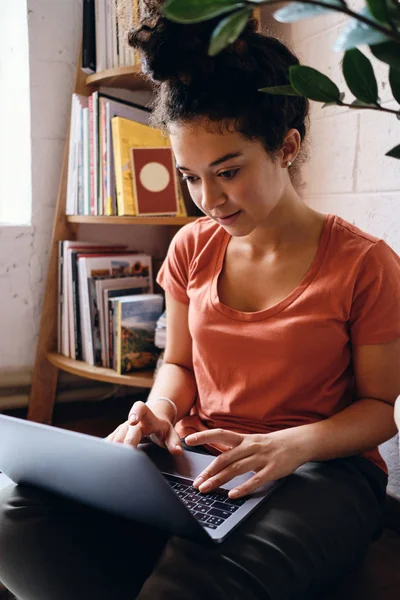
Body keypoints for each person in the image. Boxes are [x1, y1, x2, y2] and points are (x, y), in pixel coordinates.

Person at [0, 6, 399, 600]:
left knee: (201, 582)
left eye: (228, 171)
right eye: (189, 177)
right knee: (17, 516)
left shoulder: (364, 263)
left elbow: (377, 409)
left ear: (287, 146)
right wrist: (157, 412)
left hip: (322, 469)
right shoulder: (191, 248)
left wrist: (292, 445)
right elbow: (180, 366)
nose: (208, 199)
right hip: (200, 457)